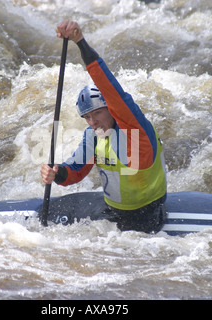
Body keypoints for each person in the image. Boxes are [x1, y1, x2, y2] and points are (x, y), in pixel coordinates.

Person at [40, 20, 167, 233]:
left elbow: (113, 91)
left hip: (149, 213)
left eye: (98, 113)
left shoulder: (136, 132)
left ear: (111, 110)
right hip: (114, 211)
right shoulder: (93, 135)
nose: (93, 122)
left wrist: (80, 42)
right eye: (87, 117)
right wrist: (56, 173)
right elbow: (75, 169)